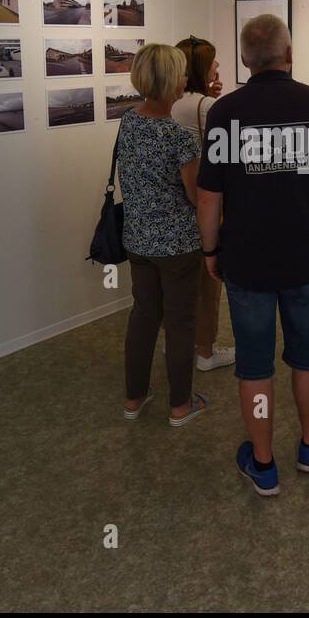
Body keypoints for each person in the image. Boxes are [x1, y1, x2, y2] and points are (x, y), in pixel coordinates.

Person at [197, 14, 309, 496]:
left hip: (246, 261)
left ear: (245, 59)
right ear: (290, 55)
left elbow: (209, 197)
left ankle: (263, 464)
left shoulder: (225, 112)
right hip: (307, 257)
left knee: (254, 365)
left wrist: (210, 249)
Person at [117, 44, 208, 428]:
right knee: (180, 322)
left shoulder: (128, 121)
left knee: (143, 316)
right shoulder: (180, 139)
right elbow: (196, 196)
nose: (187, 79)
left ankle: (134, 399)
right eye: (182, 73)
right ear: (171, 80)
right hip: (178, 247)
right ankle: (180, 406)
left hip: (138, 239)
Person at [171, 35, 233, 373]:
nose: (218, 66)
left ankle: (177, 344)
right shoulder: (206, 107)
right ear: (200, 68)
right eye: (213, 62)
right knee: (208, 286)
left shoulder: (170, 102)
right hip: (203, 204)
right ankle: (206, 351)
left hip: (172, 209)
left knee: (178, 287)